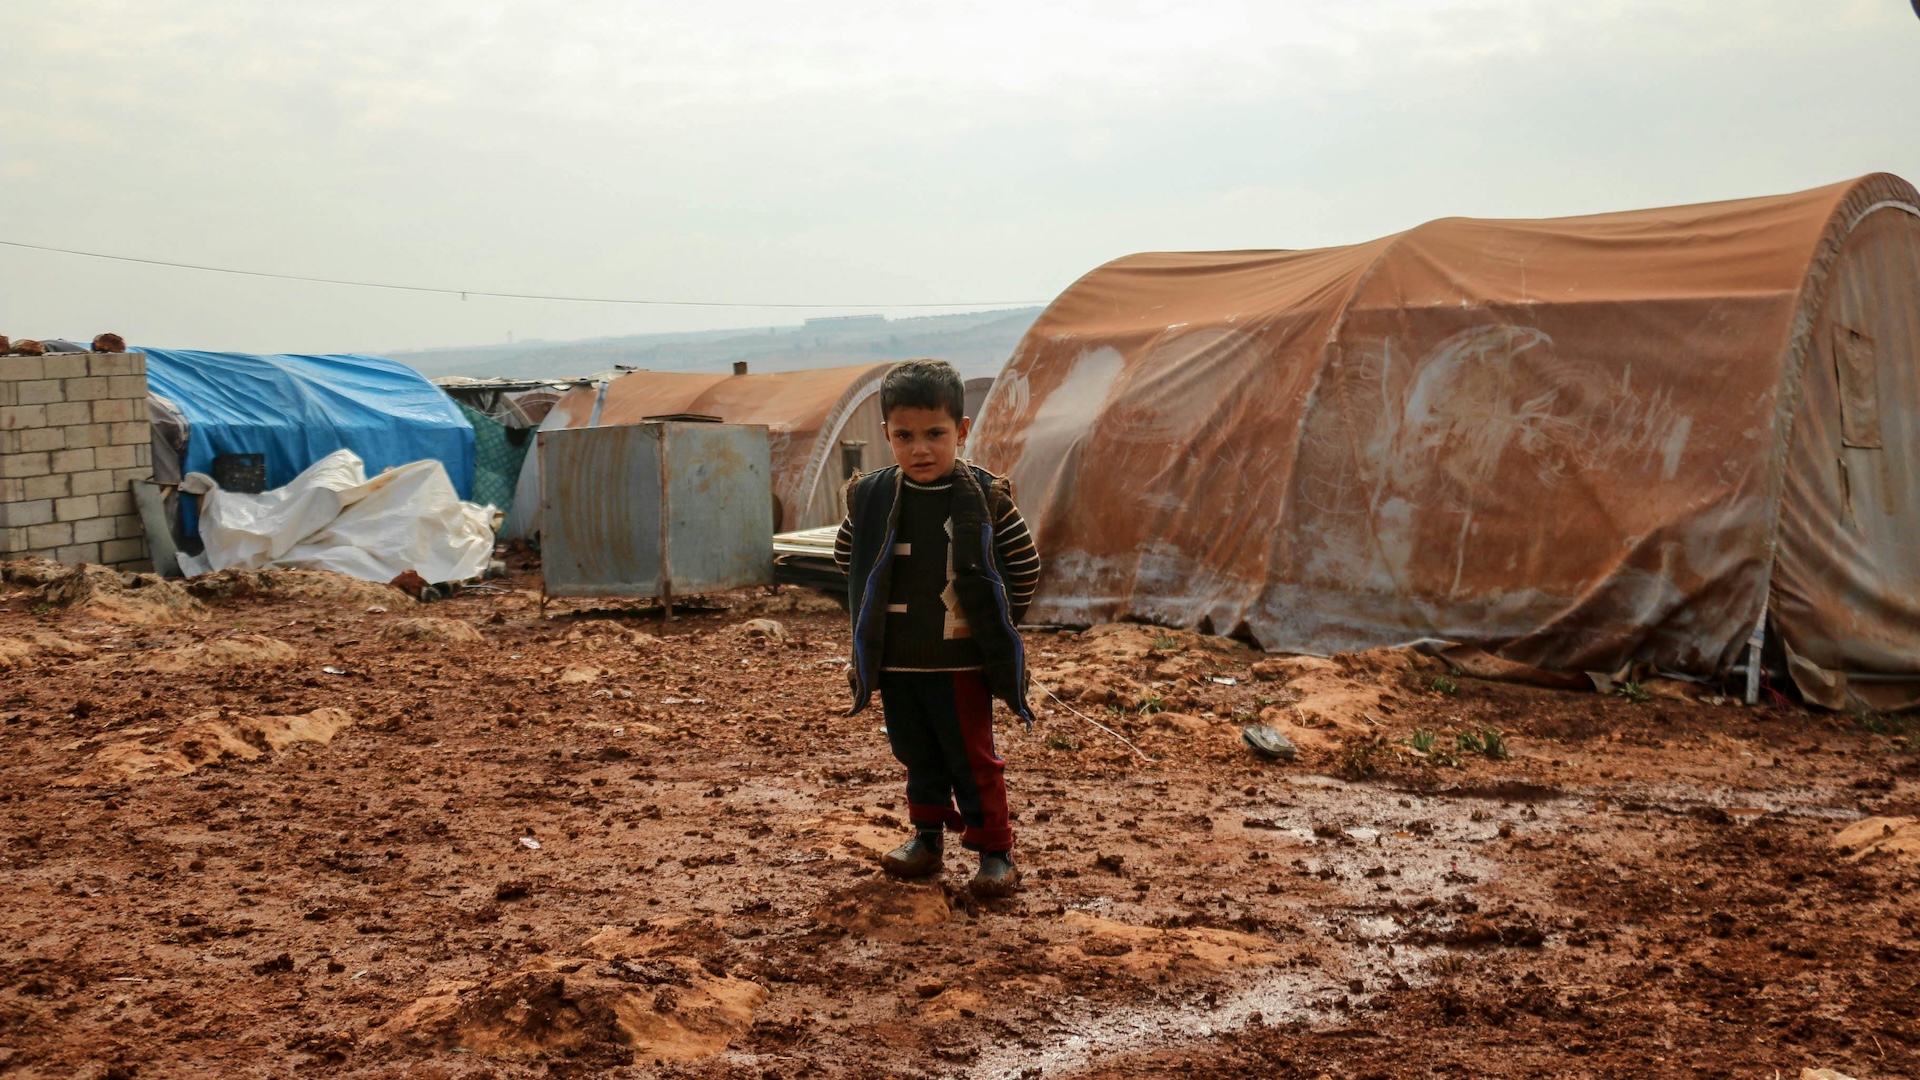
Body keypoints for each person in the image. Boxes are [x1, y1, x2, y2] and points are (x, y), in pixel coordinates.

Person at [832, 359, 1041, 896]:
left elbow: (1024, 567)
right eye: (904, 436)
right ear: (886, 435)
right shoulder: (874, 499)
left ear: (962, 432)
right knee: (915, 751)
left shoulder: (986, 498)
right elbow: (846, 556)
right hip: (897, 663)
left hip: (961, 664)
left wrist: (995, 624)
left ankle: (995, 851)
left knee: (971, 757)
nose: (919, 448)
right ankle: (926, 839)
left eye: (935, 434)